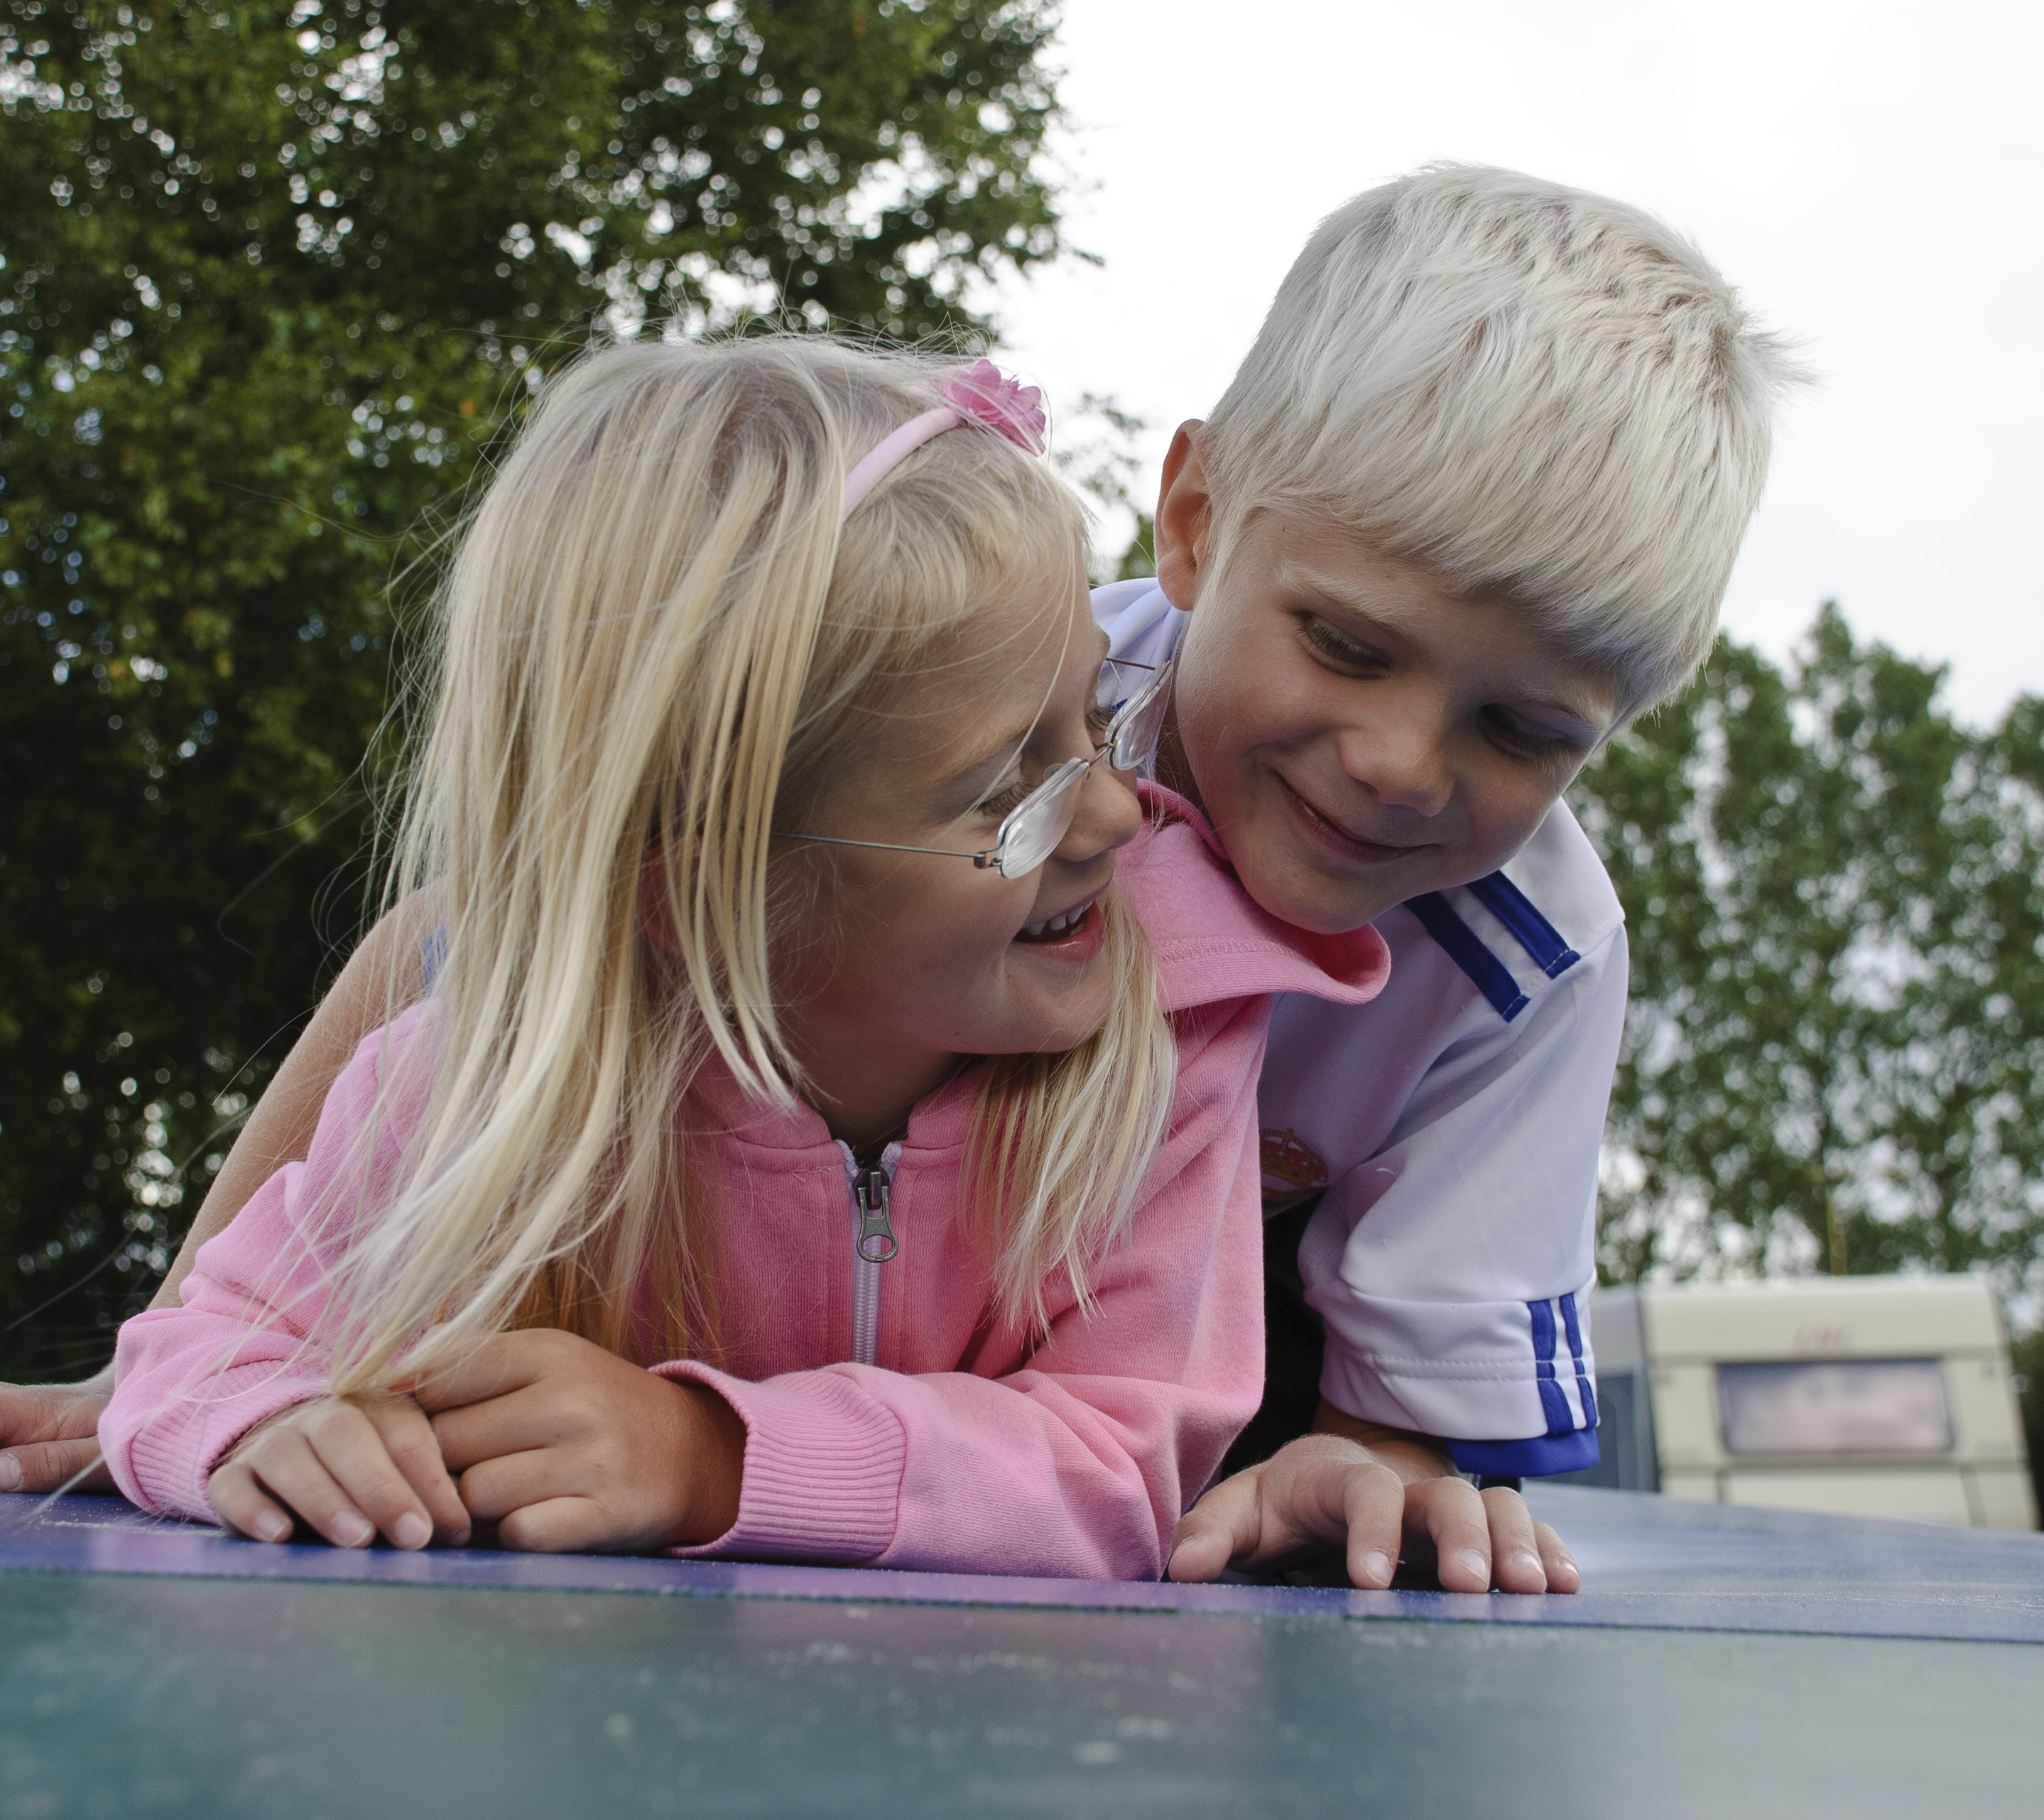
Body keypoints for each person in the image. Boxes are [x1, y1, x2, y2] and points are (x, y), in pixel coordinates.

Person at [0, 163, 1788, 1595]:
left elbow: (1353, 1397)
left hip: (1125, 1464)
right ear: (1194, 522)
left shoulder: (1527, 957)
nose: (1398, 766)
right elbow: (483, 938)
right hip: (767, 1380)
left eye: (1527, 733)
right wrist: (181, 1368)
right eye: (1348, 649)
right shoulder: (985, 673)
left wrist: (1361, 1481)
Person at [80, 337, 1386, 1575]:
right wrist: (257, 1433)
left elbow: (1119, 1469)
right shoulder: (480, 1091)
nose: (1113, 816)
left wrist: (714, 1460)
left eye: (1097, 717)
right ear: (701, 890)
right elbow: (208, 1347)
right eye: (1005, 793)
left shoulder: (1159, 1066)